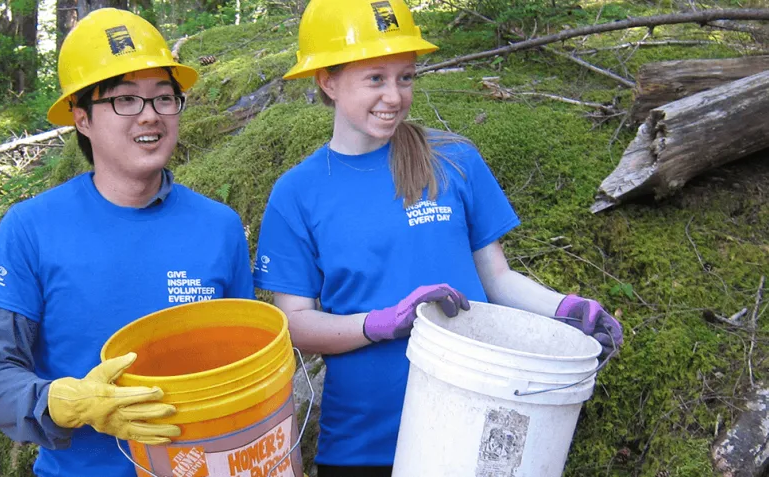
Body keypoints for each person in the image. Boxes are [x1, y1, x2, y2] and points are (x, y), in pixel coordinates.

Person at [252, 1, 624, 476]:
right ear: (327, 79)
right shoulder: (297, 193)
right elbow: (296, 328)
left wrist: (565, 309)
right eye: (375, 78)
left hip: (470, 428)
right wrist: (381, 322)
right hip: (362, 446)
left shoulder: (453, 160)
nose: (394, 96)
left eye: (405, 77)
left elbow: (498, 280)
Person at [0, 8, 255, 477]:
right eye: (125, 100)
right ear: (81, 118)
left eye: (164, 97)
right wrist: (55, 401)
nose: (150, 115)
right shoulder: (31, 229)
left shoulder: (218, 226)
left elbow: (245, 367)